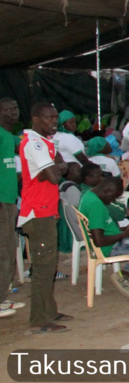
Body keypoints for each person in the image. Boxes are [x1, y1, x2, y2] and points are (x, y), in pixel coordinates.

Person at [19, 103, 69, 332]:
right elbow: (55, 175)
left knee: (49, 264)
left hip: (46, 209)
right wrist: (58, 167)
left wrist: (56, 167)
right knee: (42, 267)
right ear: (36, 119)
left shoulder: (45, 141)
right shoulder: (35, 143)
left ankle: (49, 311)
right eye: (49, 117)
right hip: (37, 211)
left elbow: (57, 170)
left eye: (55, 117)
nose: (54, 121)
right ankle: (39, 320)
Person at [0, 98, 23, 317]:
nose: (13, 112)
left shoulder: (9, 136)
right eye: (8, 109)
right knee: (2, 250)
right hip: (1, 201)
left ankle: (3, 297)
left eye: (15, 108)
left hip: (9, 200)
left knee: (8, 248)